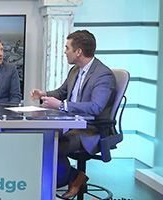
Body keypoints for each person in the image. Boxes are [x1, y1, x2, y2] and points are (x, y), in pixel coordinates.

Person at [30, 30, 116, 198]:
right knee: (41, 139)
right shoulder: (76, 70)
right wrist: (44, 94)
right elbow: (62, 92)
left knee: (53, 146)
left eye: (67, 47)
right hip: (71, 125)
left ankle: (65, 180)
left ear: (78, 52)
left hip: (91, 129)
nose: (64, 51)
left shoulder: (103, 75)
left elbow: (96, 107)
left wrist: (62, 105)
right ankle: (75, 176)